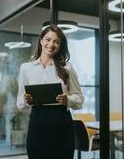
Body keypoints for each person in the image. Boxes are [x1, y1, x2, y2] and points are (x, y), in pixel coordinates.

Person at [16, 25, 84, 159]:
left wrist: (68, 100)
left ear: (60, 45)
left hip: (62, 126)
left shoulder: (67, 68)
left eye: (56, 41)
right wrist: (25, 101)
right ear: (41, 40)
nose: (51, 44)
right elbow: (19, 103)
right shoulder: (26, 68)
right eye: (48, 39)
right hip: (37, 126)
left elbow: (80, 99)